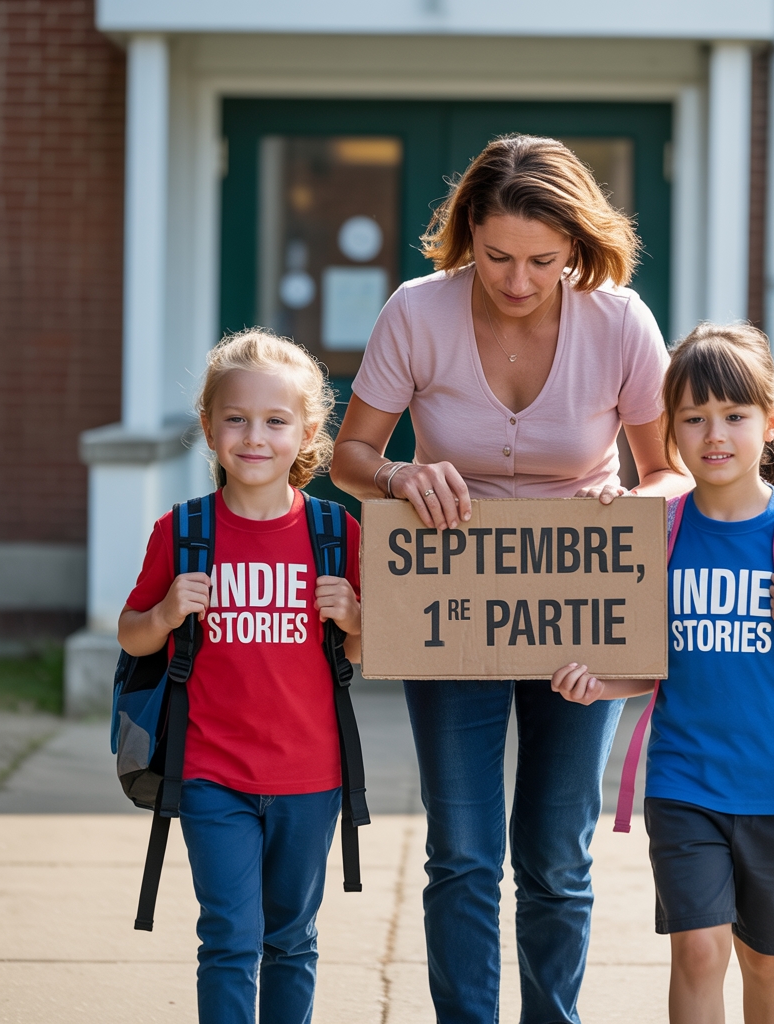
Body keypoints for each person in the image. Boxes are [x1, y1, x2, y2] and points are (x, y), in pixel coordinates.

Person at [331, 134, 687, 1024]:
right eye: (496, 257)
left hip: (581, 598)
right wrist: (400, 475)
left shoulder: (620, 321)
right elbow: (350, 454)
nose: (518, 280)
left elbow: (668, 472)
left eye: (541, 260)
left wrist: (640, 510)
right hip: (452, 598)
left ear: (577, 244)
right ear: (468, 236)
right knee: (461, 851)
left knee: (558, 855)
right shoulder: (417, 312)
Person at [551, 322, 774, 1024]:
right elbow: (656, 661)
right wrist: (603, 684)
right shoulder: (660, 531)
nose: (714, 434)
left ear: (771, 422)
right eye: (693, 419)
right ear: (669, 429)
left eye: (734, 416)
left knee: (767, 958)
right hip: (684, 780)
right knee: (698, 950)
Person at [118, 330, 362, 1024]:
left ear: (307, 431)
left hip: (310, 777)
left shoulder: (336, 533)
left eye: (276, 421)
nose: (255, 437)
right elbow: (130, 633)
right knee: (228, 938)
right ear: (208, 425)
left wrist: (355, 616)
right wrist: (164, 612)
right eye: (236, 418)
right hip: (210, 772)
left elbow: (370, 653)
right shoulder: (183, 531)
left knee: (289, 939)